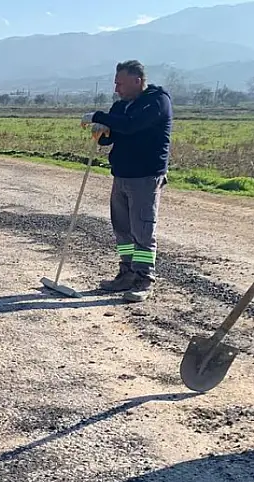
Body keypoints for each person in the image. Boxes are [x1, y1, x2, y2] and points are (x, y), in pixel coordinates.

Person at [81, 60, 173, 303]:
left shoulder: (156, 102)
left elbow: (131, 127)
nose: (116, 88)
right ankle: (126, 273)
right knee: (122, 229)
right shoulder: (121, 106)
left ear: (137, 81)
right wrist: (100, 131)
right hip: (121, 175)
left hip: (145, 176)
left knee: (142, 229)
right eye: (115, 83)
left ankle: (144, 278)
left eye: (120, 83)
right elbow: (110, 138)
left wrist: (100, 116)